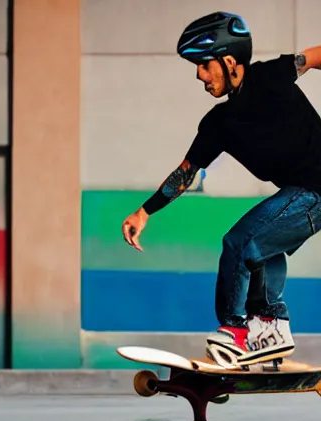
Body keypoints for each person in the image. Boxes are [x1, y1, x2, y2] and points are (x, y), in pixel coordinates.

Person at [121, 11, 321, 368]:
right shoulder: (219, 124)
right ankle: (271, 326)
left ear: (229, 62)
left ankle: (235, 333)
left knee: (240, 242)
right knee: (262, 245)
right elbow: (184, 173)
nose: (199, 75)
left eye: (203, 65)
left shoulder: (272, 76)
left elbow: (314, 55)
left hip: (315, 190)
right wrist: (144, 211)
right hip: (300, 193)